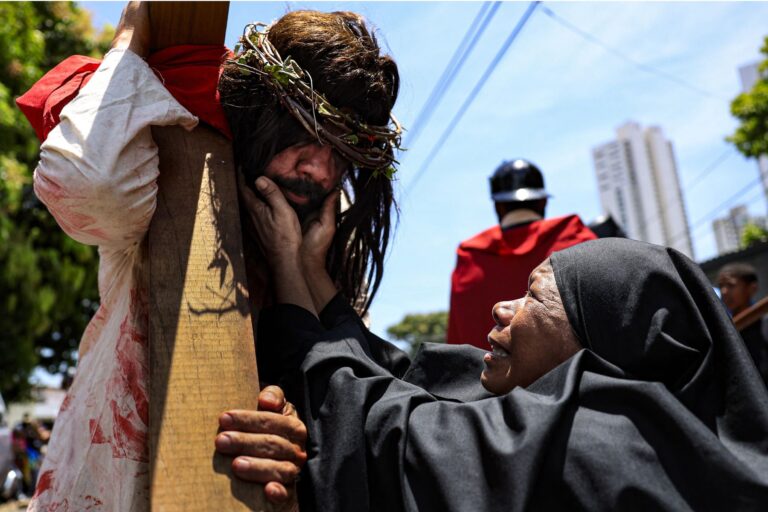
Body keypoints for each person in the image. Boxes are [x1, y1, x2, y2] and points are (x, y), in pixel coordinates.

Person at [17, 2, 400, 509]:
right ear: (263, 121)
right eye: (303, 138)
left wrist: (302, 268)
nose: (319, 169)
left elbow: (357, 396)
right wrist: (129, 41)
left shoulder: (327, 236)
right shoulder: (173, 167)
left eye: (339, 153)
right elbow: (85, 184)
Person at [220, 186, 768, 510]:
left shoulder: (589, 453)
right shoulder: (650, 434)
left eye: (532, 295)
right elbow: (407, 381)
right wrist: (313, 271)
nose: (502, 309)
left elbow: (376, 428)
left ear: (602, 340)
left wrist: (287, 263)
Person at [446, 159, 596, 348]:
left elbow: (459, 338)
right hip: (575, 373)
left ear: (498, 206)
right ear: (543, 202)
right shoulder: (578, 238)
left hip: (490, 373)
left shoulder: (469, 257)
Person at [718, 262, 768, 386]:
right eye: (721, 286)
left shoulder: (764, 323)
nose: (724, 291)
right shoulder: (724, 331)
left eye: (731, 285)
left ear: (752, 288)